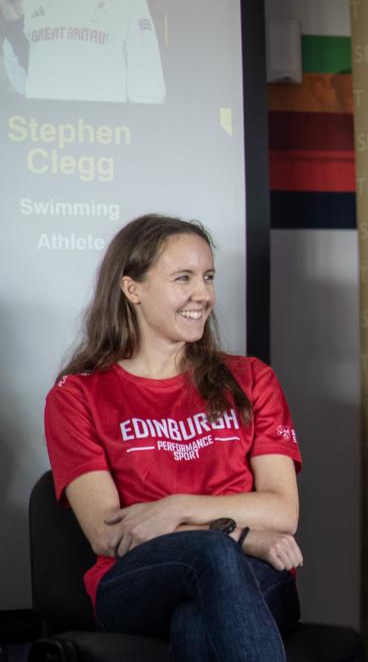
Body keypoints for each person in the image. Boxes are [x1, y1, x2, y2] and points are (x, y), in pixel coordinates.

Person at [43, 214, 302, 662]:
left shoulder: (252, 379)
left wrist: (177, 509)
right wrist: (241, 537)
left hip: (259, 575)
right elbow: (110, 535)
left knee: (196, 625)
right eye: (183, 278)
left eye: (207, 277)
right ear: (132, 289)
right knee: (213, 556)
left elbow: (282, 511)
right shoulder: (76, 395)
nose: (202, 294)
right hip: (136, 581)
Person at [1, 0, 165, 103]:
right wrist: (14, 24)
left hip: (105, 133)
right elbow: (21, 83)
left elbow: (147, 80)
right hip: (47, 132)